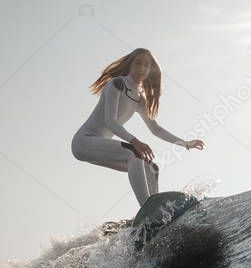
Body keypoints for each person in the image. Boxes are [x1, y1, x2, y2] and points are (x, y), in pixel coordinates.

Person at [71, 48, 204, 206]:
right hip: (83, 142)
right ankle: (147, 206)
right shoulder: (117, 84)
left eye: (146, 65)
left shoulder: (140, 99)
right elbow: (110, 121)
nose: (142, 68)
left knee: (151, 168)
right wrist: (135, 142)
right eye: (138, 63)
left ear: (150, 70)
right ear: (130, 64)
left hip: (99, 146)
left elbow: (156, 129)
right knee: (134, 154)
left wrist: (185, 144)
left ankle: (157, 211)